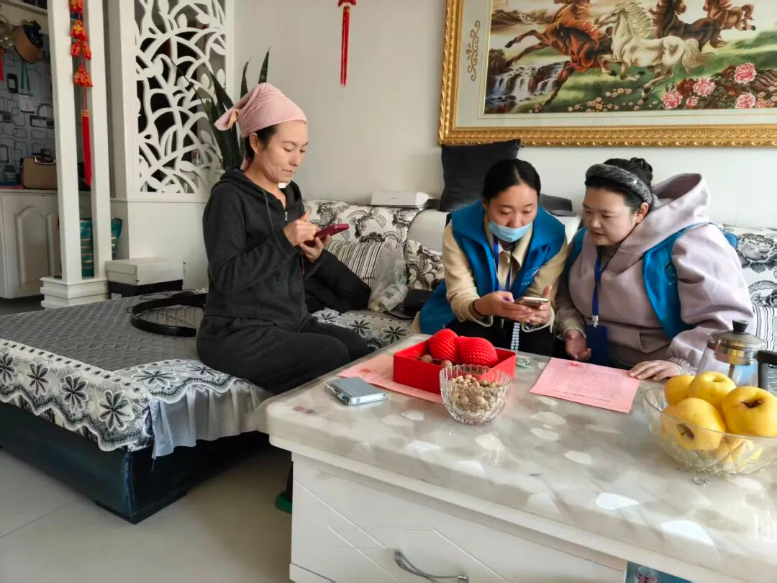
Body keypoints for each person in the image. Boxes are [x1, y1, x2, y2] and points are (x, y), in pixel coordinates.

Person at [197, 83, 372, 395]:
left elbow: (288, 271)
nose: (296, 160)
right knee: (330, 353)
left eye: (302, 150)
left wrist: (312, 256)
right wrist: (284, 240)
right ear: (256, 142)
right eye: (288, 148)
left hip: (292, 321)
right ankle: (291, 424)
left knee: (360, 349)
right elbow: (226, 277)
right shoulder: (228, 197)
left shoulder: (290, 194)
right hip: (236, 331)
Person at [556, 158, 754, 381]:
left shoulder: (692, 241)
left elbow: (728, 320)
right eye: (588, 211)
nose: (593, 223)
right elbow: (562, 293)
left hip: (664, 373)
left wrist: (682, 364)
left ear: (641, 211)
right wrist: (573, 328)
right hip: (594, 365)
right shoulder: (584, 240)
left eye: (606, 215)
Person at [418, 159, 569, 355]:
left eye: (527, 211)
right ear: (485, 203)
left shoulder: (553, 237)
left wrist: (542, 314)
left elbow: (542, 297)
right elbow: (461, 295)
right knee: (472, 344)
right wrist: (483, 306)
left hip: (521, 322)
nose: (516, 223)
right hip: (471, 313)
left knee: (539, 347)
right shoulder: (459, 229)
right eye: (505, 212)